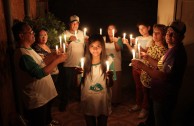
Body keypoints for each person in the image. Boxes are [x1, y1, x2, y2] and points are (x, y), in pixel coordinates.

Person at [132, 20, 187, 126]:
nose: (168, 36)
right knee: (155, 117)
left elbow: (163, 75)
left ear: (181, 37)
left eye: (173, 34)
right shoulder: (172, 50)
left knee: (161, 121)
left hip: (164, 96)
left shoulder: (176, 54)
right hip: (159, 93)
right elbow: (160, 66)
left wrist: (143, 66)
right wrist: (147, 58)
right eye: (168, 32)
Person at [12, 21, 68, 126]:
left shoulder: (29, 50)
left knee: (46, 120)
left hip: (43, 97)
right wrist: (58, 60)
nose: (33, 34)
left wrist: (54, 55)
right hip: (37, 100)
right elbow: (39, 73)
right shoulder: (22, 54)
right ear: (21, 35)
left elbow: (41, 64)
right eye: (30, 32)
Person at [76, 34, 115, 126]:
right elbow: (78, 84)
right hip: (88, 100)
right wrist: (78, 75)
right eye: (92, 46)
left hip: (103, 100)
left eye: (98, 46)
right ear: (88, 47)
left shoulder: (109, 61)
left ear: (103, 47)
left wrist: (110, 77)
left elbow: (111, 84)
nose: (95, 49)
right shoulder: (83, 62)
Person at [57, 15, 85, 111]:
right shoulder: (65, 33)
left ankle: (82, 100)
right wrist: (68, 40)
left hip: (80, 64)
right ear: (69, 24)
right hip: (68, 64)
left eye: (76, 23)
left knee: (81, 84)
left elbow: (87, 45)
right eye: (73, 23)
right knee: (67, 85)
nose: (75, 25)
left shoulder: (82, 33)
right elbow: (60, 48)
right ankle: (64, 102)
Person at [126, 21, 153, 119]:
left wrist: (137, 45)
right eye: (139, 29)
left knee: (144, 87)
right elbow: (133, 51)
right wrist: (128, 44)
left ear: (149, 28)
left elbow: (146, 52)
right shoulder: (137, 38)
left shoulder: (151, 39)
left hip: (144, 66)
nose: (141, 30)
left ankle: (145, 108)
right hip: (136, 64)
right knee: (137, 86)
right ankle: (138, 104)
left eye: (143, 28)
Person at [104, 24, 123, 106]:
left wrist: (115, 40)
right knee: (106, 82)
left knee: (115, 84)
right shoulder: (104, 39)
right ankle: (106, 100)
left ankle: (115, 101)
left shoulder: (119, 39)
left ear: (116, 31)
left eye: (112, 29)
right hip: (107, 64)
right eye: (109, 29)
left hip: (116, 64)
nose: (110, 31)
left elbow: (118, 49)